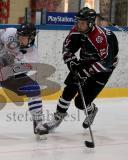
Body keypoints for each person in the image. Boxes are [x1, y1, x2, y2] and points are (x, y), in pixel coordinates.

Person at [36, 7, 119, 135]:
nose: (79, 25)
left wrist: (84, 72)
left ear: (91, 23)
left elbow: (106, 63)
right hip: (85, 62)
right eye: (78, 22)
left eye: (82, 23)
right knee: (69, 89)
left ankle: (91, 110)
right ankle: (57, 118)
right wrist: (71, 61)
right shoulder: (77, 30)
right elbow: (67, 48)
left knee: (80, 103)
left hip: (103, 70)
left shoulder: (100, 38)